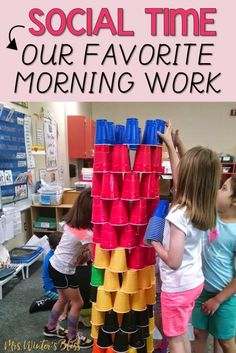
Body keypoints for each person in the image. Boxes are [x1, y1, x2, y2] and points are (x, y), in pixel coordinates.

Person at [151, 123, 221, 353]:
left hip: (177, 287)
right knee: (181, 333)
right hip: (193, 283)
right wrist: (175, 145)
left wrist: (155, 243)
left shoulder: (179, 214)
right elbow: (185, 177)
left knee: (175, 339)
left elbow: (173, 261)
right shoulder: (204, 207)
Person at [43, 188, 93, 349]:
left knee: (63, 299)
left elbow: (73, 247)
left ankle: (50, 328)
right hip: (63, 270)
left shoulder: (69, 222)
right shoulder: (86, 233)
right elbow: (96, 258)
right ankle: (71, 338)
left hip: (54, 264)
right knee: (78, 303)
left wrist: (82, 251)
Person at [192, 175, 236, 353]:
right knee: (198, 334)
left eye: (224, 189)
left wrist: (218, 300)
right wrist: (177, 145)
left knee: (225, 341)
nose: (218, 191)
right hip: (201, 291)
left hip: (224, 296)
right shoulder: (210, 216)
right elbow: (196, 177)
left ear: (234, 201)